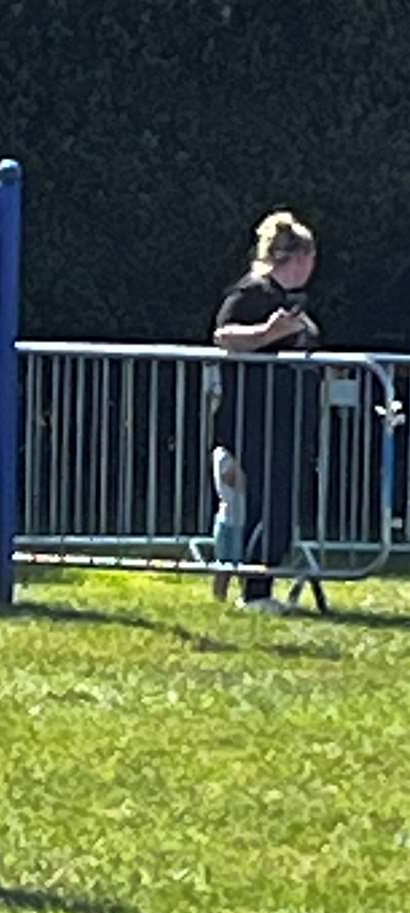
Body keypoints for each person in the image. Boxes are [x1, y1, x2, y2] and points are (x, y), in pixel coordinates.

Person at [209, 210, 319, 613]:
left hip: (280, 419)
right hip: (254, 418)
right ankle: (254, 593)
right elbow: (223, 335)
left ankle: (256, 587)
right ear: (299, 258)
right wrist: (268, 334)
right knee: (261, 505)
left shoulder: (284, 300)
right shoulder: (253, 292)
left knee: (273, 503)